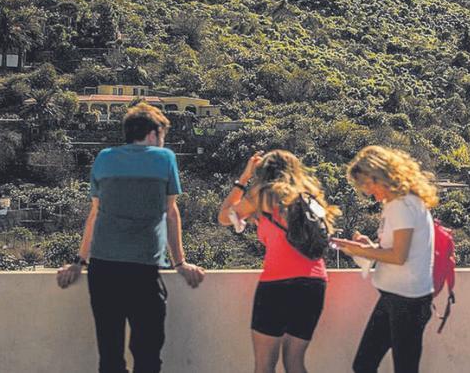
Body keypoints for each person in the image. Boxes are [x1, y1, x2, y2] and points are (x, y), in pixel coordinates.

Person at [56, 102, 206, 373]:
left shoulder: (104, 158)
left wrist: (79, 261)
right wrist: (180, 263)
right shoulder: (165, 159)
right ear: (153, 134)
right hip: (142, 269)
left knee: (110, 355)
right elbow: (171, 213)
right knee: (148, 354)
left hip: (103, 267)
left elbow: (95, 214)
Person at [218, 150, 340, 373]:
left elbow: (224, 217)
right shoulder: (309, 196)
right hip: (314, 283)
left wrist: (244, 178)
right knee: (294, 362)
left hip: (278, 283)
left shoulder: (262, 194)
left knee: (265, 365)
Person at [333, 145, 438, 373]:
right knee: (366, 365)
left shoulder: (400, 204)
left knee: (374, 366)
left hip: (405, 301)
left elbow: (398, 256)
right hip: (399, 297)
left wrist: (359, 251)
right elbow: (395, 250)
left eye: (368, 184)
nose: (367, 191)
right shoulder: (403, 202)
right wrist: (369, 247)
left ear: (380, 175)